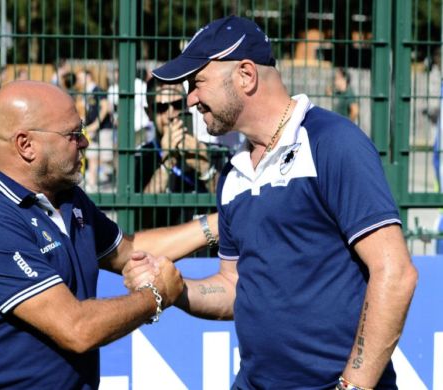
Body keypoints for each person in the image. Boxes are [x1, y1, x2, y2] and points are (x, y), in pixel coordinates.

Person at [125, 16, 418, 390]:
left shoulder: (331, 143)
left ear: (246, 75)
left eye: (197, 82)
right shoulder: (234, 176)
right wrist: (174, 289)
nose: (190, 98)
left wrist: (353, 386)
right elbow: (234, 287)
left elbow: (395, 273)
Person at [0, 80, 219, 388]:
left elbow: (127, 249)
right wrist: (156, 296)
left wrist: (219, 224)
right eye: (73, 134)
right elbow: (77, 329)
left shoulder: (63, 195)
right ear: (26, 145)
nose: (86, 142)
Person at [135, 77, 222, 195]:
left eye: (177, 104)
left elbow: (232, 205)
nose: (171, 114)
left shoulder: (214, 152)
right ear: (149, 113)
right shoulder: (140, 157)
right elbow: (139, 211)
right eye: (161, 107)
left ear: (186, 106)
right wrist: (166, 164)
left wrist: (204, 167)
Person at [80, 68, 115, 190]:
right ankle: (92, 184)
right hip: (92, 130)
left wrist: (96, 124)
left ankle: (118, 181)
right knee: (92, 156)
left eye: (81, 77)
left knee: (108, 158)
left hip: (103, 129)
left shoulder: (97, 90)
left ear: (88, 77)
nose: (79, 80)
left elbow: (105, 107)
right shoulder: (86, 92)